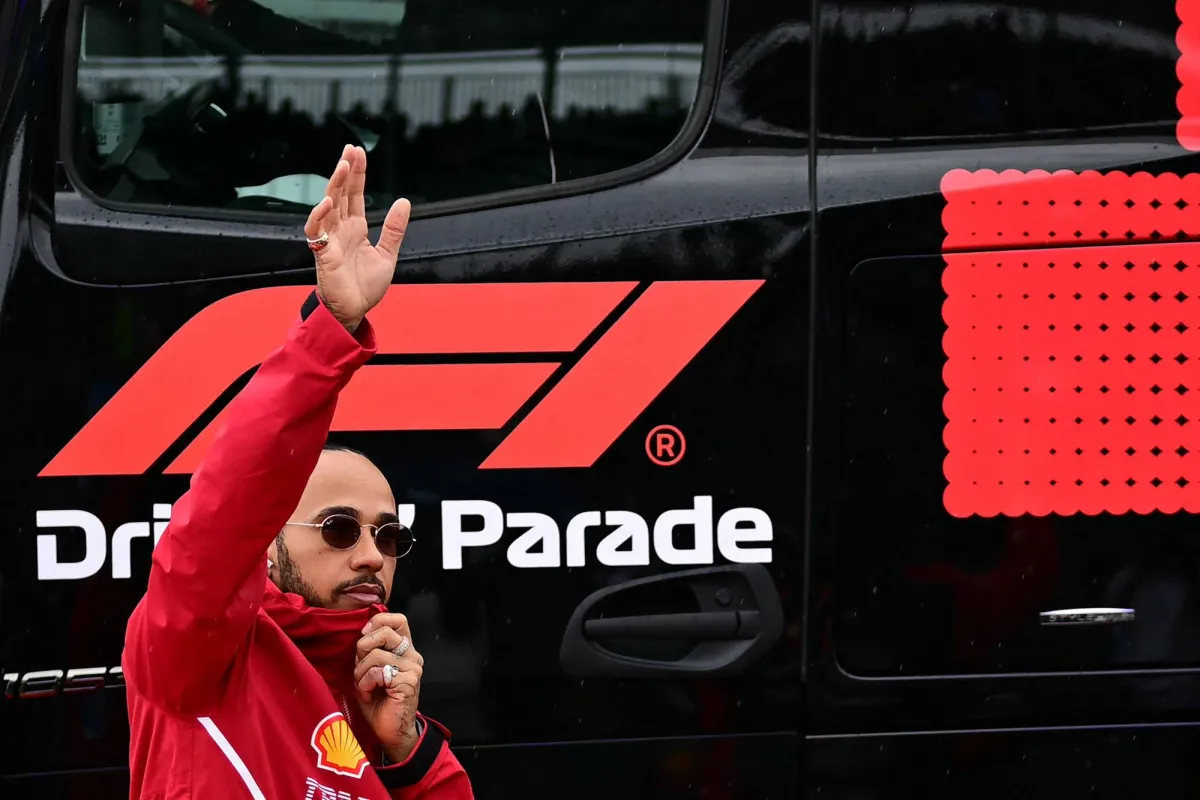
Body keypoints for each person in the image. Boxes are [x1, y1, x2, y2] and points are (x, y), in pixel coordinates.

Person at [122, 143, 474, 800]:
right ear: (265, 540)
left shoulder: (378, 690)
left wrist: (408, 753)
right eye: (339, 529)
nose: (371, 556)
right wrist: (332, 326)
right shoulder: (192, 654)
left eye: (389, 536)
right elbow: (232, 499)